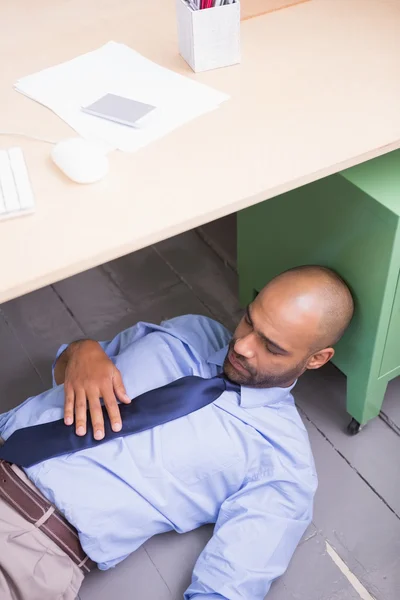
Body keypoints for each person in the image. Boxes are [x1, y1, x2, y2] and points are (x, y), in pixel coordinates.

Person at [0, 265, 354, 600]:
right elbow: (68, 373)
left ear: (317, 359)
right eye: (249, 319)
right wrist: (82, 350)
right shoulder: (191, 330)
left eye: (271, 346)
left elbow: (228, 585)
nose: (243, 345)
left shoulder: (283, 462)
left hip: (28, 541)